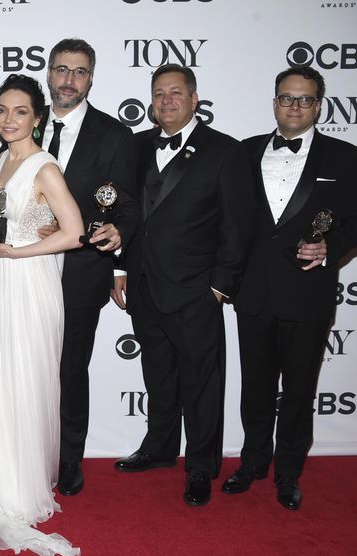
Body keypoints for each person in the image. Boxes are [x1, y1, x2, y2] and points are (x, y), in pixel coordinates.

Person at [223, 66, 357, 510]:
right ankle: (252, 463)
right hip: (252, 291)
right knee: (255, 387)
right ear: (274, 102)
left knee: (300, 390)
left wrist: (329, 246)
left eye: (304, 99)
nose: (294, 106)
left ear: (318, 106)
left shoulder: (343, 156)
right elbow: (231, 220)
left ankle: (288, 473)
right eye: (287, 97)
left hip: (307, 293)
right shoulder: (245, 153)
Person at [0, 74, 84, 556]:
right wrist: (4, 254)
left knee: (25, 381)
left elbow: (74, 232)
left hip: (28, 284)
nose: (9, 119)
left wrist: (20, 252)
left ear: (39, 117)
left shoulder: (45, 167)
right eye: (2, 110)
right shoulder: (3, 161)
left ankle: (20, 488)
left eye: (20, 111)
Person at [111, 65, 257, 507]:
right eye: (159, 93)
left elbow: (239, 224)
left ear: (195, 99)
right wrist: (120, 268)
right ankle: (158, 448)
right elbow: (124, 211)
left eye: (176, 93)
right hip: (142, 284)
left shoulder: (225, 151)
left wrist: (220, 287)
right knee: (157, 373)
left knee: (201, 381)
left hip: (196, 289)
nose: (167, 101)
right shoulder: (134, 146)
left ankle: (200, 465)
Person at [41, 38, 138, 496]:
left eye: (79, 72)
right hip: (23, 272)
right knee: (27, 369)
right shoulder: (25, 121)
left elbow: (128, 204)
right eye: (61, 69)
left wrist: (119, 241)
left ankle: (69, 457)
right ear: (48, 73)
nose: (68, 80)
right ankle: (28, 453)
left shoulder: (115, 134)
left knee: (69, 369)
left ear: (91, 78)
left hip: (81, 272)